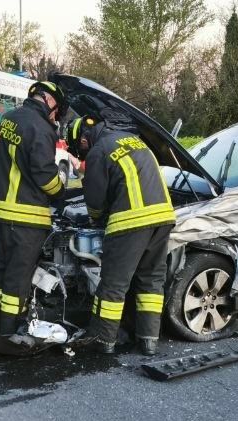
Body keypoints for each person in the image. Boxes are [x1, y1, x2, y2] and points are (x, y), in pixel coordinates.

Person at [67, 114, 176, 356]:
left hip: (131, 222)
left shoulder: (98, 151)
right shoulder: (135, 140)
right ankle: (148, 341)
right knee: (151, 281)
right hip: (163, 218)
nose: (81, 152)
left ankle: (103, 339)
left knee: (113, 284)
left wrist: (96, 217)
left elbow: (94, 201)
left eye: (78, 148)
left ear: (83, 140)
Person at [0, 81, 69, 335]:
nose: (56, 117)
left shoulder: (9, 118)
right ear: (50, 101)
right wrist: (61, 192)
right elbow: (45, 175)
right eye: (57, 111)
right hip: (28, 217)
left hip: (3, 213)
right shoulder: (41, 128)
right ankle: (8, 332)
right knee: (17, 279)